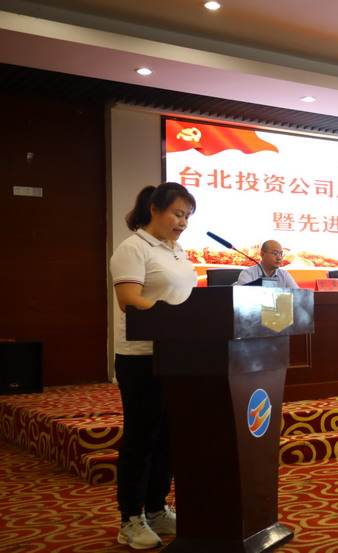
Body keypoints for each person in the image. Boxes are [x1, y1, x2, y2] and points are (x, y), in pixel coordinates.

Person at [109, 182, 196, 550]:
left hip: (176, 356)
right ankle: (130, 519)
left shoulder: (177, 252)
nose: (183, 222)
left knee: (167, 439)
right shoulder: (133, 248)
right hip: (141, 356)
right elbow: (128, 299)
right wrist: (180, 321)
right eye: (177, 213)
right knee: (142, 438)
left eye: (187, 216)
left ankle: (157, 509)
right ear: (154, 210)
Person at [234, 239, 298, 288]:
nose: (279, 258)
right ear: (262, 254)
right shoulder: (248, 274)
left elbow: (298, 294)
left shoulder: (284, 275)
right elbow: (243, 297)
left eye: (281, 254)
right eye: (275, 253)